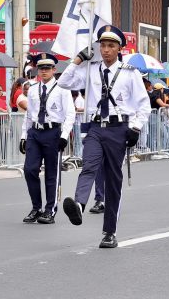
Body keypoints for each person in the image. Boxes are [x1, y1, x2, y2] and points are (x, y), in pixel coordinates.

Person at [58, 25, 151, 248]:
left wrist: (135, 128)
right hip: (96, 127)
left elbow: (143, 105)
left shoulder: (130, 73)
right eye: (103, 45)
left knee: (112, 180)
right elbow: (63, 82)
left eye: (111, 46)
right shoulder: (91, 69)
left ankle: (110, 231)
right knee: (89, 165)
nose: (106, 50)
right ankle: (79, 205)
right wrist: (78, 59)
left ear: (119, 48)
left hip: (119, 129)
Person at [19, 53, 75, 224]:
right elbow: (29, 114)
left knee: (52, 173)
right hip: (35, 132)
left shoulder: (62, 88)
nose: (43, 71)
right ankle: (36, 207)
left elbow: (70, 114)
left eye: (47, 68)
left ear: (54, 70)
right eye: (41, 68)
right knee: (30, 169)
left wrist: (64, 136)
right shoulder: (33, 89)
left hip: (53, 132)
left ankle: (50, 209)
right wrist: (24, 135)